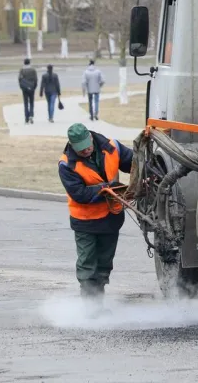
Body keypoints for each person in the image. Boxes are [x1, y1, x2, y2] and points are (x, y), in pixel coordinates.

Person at [58, 123, 133, 302]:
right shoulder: (67, 164)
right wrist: (107, 188)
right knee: (87, 265)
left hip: (111, 218)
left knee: (104, 264)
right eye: (81, 149)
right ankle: (90, 307)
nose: (86, 151)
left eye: (87, 147)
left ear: (91, 137)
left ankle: (97, 300)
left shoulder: (112, 147)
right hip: (86, 223)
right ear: (73, 146)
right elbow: (80, 194)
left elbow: (134, 163)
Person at [18, 58, 37, 124]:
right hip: (31, 88)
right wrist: (34, 87)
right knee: (31, 102)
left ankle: (26, 117)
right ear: (29, 63)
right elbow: (35, 79)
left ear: (24, 63)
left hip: (24, 88)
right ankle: (31, 115)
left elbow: (19, 79)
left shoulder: (22, 70)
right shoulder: (33, 70)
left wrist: (21, 87)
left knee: (26, 103)